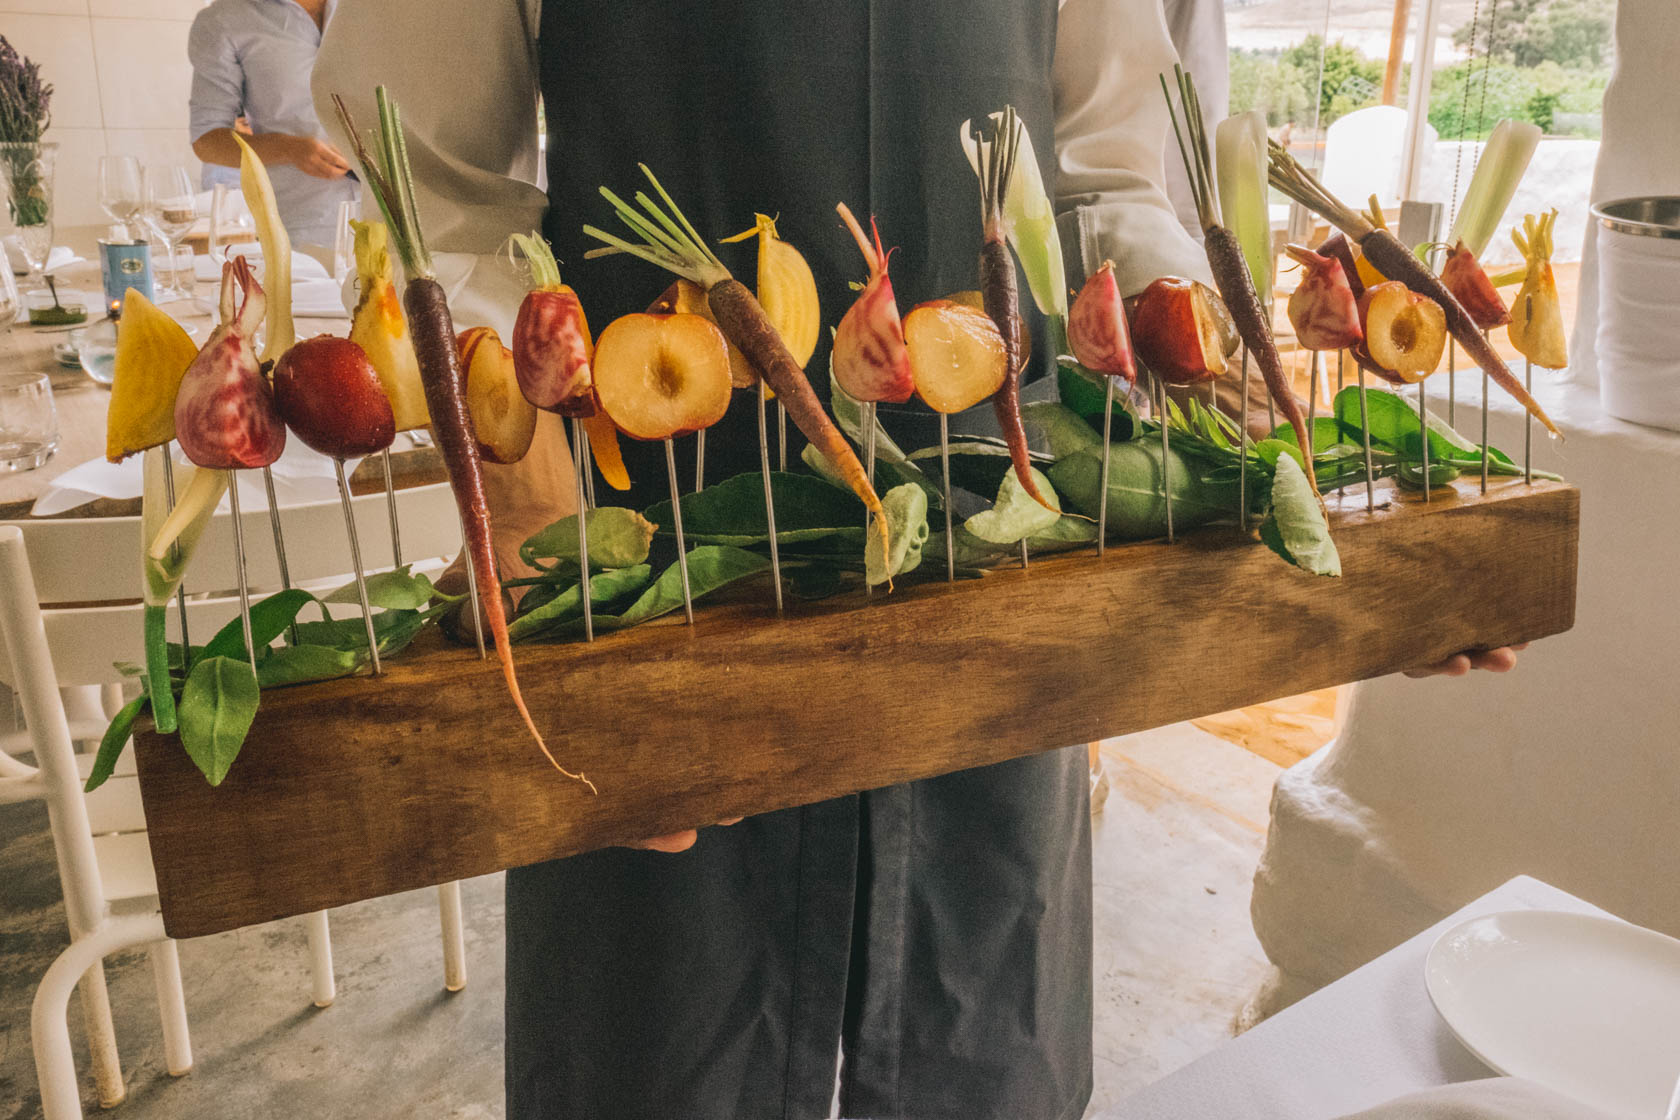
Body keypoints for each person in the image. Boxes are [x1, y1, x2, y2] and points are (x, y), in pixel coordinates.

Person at [312, 5, 1520, 1117]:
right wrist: (528, 527)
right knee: (658, 1052)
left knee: (985, 1043)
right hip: (657, 546)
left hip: (1007, 542)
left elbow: (1107, 169)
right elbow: (422, 170)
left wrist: (1328, 508)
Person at [188, 0, 358, 247]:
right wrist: (289, 148)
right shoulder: (223, 21)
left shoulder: (374, 8)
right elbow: (206, 140)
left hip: (404, 219)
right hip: (308, 232)